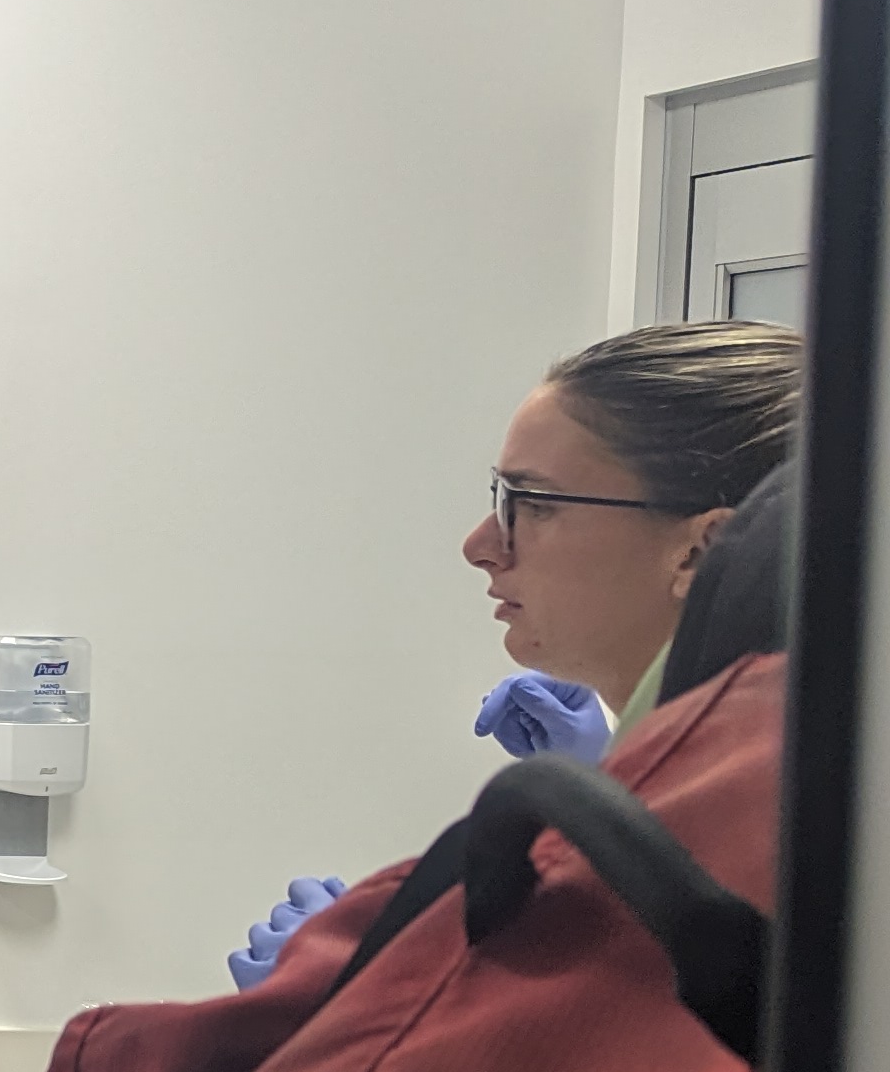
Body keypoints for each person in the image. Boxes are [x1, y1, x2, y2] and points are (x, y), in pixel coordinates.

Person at [229, 321, 802, 986]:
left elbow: (587, 1038)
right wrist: (613, 779)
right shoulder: (773, 790)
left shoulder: (747, 859)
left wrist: (348, 991)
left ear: (698, 552)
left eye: (533, 504)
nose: (480, 545)